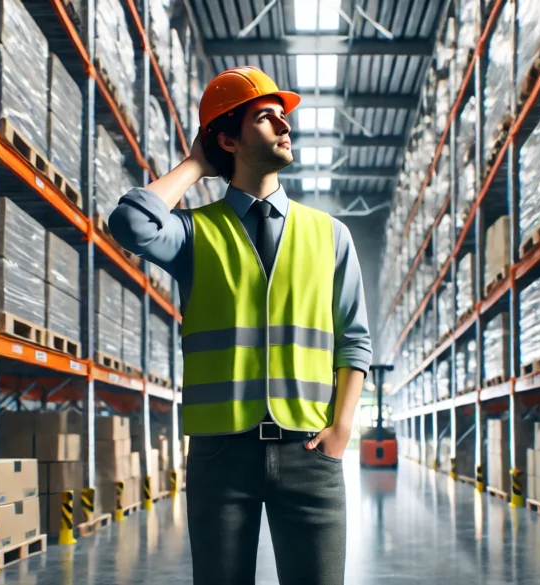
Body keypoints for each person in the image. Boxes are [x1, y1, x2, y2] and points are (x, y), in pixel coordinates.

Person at [109, 65, 372, 585]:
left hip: (309, 449)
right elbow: (130, 223)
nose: (284, 126)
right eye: (265, 118)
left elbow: (353, 339)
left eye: (284, 118)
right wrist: (194, 165)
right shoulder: (191, 233)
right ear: (227, 138)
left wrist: (343, 428)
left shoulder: (331, 235)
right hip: (220, 452)